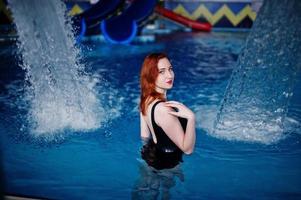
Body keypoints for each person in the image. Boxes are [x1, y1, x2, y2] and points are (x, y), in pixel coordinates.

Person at [139, 53, 196, 170]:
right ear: (151, 76)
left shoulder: (146, 99)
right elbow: (188, 150)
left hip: (152, 159)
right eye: (162, 72)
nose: (169, 75)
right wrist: (191, 117)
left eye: (170, 69)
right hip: (168, 166)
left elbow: (144, 137)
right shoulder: (164, 110)